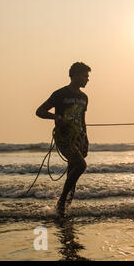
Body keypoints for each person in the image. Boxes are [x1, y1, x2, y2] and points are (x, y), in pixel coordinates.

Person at [36, 62, 91, 216]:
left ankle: (64, 210)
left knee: (72, 172)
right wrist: (55, 117)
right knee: (80, 165)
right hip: (63, 137)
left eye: (88, 77)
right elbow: (39, 111)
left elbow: (83, 120)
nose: (87, 79)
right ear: (74, 75)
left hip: (78, 139)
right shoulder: (60, 94)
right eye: (85, 76)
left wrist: (86, 139)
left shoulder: (84, 97)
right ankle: (61, 203)